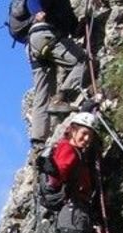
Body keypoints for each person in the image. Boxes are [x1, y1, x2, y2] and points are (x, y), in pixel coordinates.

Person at [26, 0, 89, 158]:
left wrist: (81, 25)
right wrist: (37, 10)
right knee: (82, 60)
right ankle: (62, 97)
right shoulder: (63, 5)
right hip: (46, 35)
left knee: (42, 93)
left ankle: (38, 142)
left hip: (33, 43)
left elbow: (74, 30)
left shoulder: (63, 7)